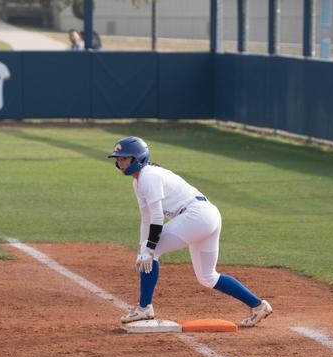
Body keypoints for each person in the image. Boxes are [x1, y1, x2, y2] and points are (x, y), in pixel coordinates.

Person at [108, 136, 272, 328]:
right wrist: (142, 248)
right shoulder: (139, 181)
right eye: (118, 159)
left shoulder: (148, 177)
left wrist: (148, 248)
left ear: (138, 159)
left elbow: (157, 218)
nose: (120, 163)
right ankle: (259, 305)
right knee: (207, 277)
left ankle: (145, 308)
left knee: (152, 250)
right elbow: (146, 218)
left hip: (197, 216)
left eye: (124, 158)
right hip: (206, 216)